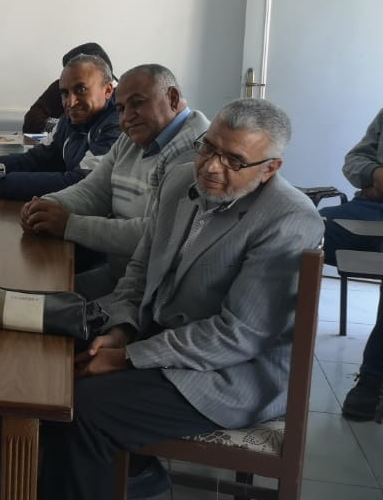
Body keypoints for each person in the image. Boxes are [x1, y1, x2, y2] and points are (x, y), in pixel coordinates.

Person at [38, 99, 322, 500]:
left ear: (270, 168)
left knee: (81, 408)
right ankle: (117, 470)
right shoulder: (178, 181)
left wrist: (125, 357)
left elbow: (237, 336)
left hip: (232, 373)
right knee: (46, 353)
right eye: (209, 147)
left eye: (234, 161)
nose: (211, 167)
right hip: (163, 334)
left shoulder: (288, 219)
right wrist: (122, 330)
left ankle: (132, 473)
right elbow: (139, 270)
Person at [19, 65, 210, 299]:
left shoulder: (198, 153)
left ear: (172, 98)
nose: (127, 117)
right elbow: (93, 191)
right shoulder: (135, 135)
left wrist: (69, 225)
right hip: (121, 276)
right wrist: (46, 206)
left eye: (137, 103)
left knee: (36, 307)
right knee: (30, 298)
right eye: (120, 109)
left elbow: (156, 234)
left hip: (156, 295)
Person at [0, 54, 121, 200]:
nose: (71, 102)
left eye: (81, 89)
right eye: (64, 93)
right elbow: (36, 159)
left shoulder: (116, 127)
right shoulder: (70, 119)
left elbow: (81, 183)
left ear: (107, 91)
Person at [320, 108, 383, 420]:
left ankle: (373, 379)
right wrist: (376, 175)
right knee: (295, 230)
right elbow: (354, 160)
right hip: (369, 207)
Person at [22, 42, 113, 133]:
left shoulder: (118, 99)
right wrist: (63, 127)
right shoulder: (62, 85)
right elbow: (31, 120)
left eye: (81, 89)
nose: (71, 102)